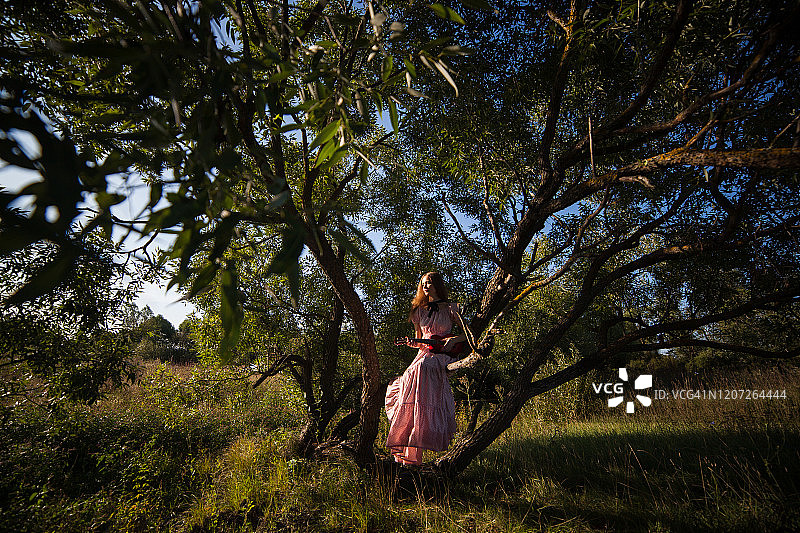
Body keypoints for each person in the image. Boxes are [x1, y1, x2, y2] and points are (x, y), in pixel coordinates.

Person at [385, 272, 467, 466]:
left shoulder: (451, 308)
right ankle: (408, 449)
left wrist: (453, 340)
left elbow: (467, 333)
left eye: (429, 282)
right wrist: (411, 343)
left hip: (443, 354)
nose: (425, 286)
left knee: (423, 368)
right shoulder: (418, 311)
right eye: (423, 283)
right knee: (408, 379)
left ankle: (426, 431)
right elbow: (420, 341)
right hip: (424, 354)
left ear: (437, 284)